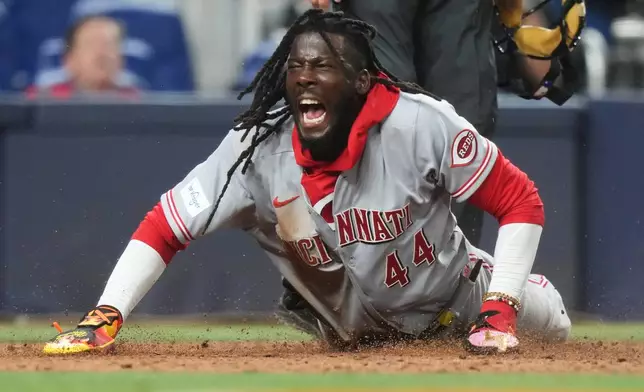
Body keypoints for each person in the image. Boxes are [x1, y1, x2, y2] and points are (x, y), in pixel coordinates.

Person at [43, 9, 570, 356]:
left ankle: (519, 291)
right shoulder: (255, 148)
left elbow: (519, 198)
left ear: (362, 82)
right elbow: (166, 225)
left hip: (460, 297)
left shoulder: (420, 123)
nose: (305, 77)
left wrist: (502, 307)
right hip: (355, 333)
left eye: (324, 66)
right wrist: (105, 315)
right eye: (297, 66)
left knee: (557, 330)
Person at [25, 15, 138, 99]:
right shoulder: (42, 101)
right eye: (92, 44)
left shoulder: (137, 103)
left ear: (121, 59)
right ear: (69, 60)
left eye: (110, 44)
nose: (102, 53)